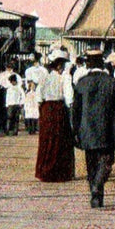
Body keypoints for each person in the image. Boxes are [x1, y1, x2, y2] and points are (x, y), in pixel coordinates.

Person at [70, 48, 115, 208]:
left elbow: (75, 111)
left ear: (87, 64)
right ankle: (97, 187)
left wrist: (75, 131)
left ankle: (96, 194)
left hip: (86, 129)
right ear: (102, 63)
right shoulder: (113, 83)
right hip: (108, 129)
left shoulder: (81, 83)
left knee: (91, 163)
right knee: (107, 160)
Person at [35, 51, 75, 182]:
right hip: (58, 108)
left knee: (46, 138)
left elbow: (38, 97)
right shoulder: (64, 77)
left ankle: (44, 170)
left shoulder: (44, 77)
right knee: (59, 139)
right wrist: (70, 108)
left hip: (46, 108)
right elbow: (69, 98)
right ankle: (59, 172)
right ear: (59, 66)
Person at [0, 60, 17, 134]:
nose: (9, 68)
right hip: (3, 92)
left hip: (11, 91)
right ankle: (1, 125)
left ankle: (7, 126)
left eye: (10, 67)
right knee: (1, 109)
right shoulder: (1, 75)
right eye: (8, 67)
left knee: (9, 109)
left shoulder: (14, 75)